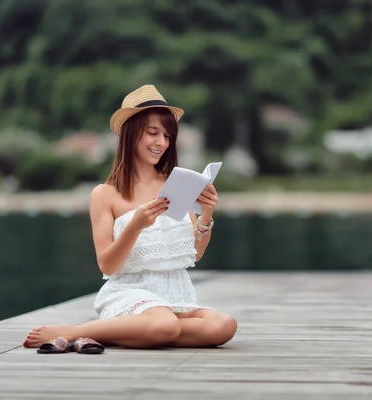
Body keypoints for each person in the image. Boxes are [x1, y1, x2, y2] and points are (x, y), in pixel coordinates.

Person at [23, 85, 238, 350]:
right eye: (152, 133)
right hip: (130, 292)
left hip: (175, 292)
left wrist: (206, 214)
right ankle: (73, 331)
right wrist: (135, 226)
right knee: (165, 324)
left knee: (224, 325)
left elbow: (195, 254)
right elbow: (107, 266)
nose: (161, 142)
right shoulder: (105, 194)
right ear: (130, 133)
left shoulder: (177, 183)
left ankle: (124, 333)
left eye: (167, 136)